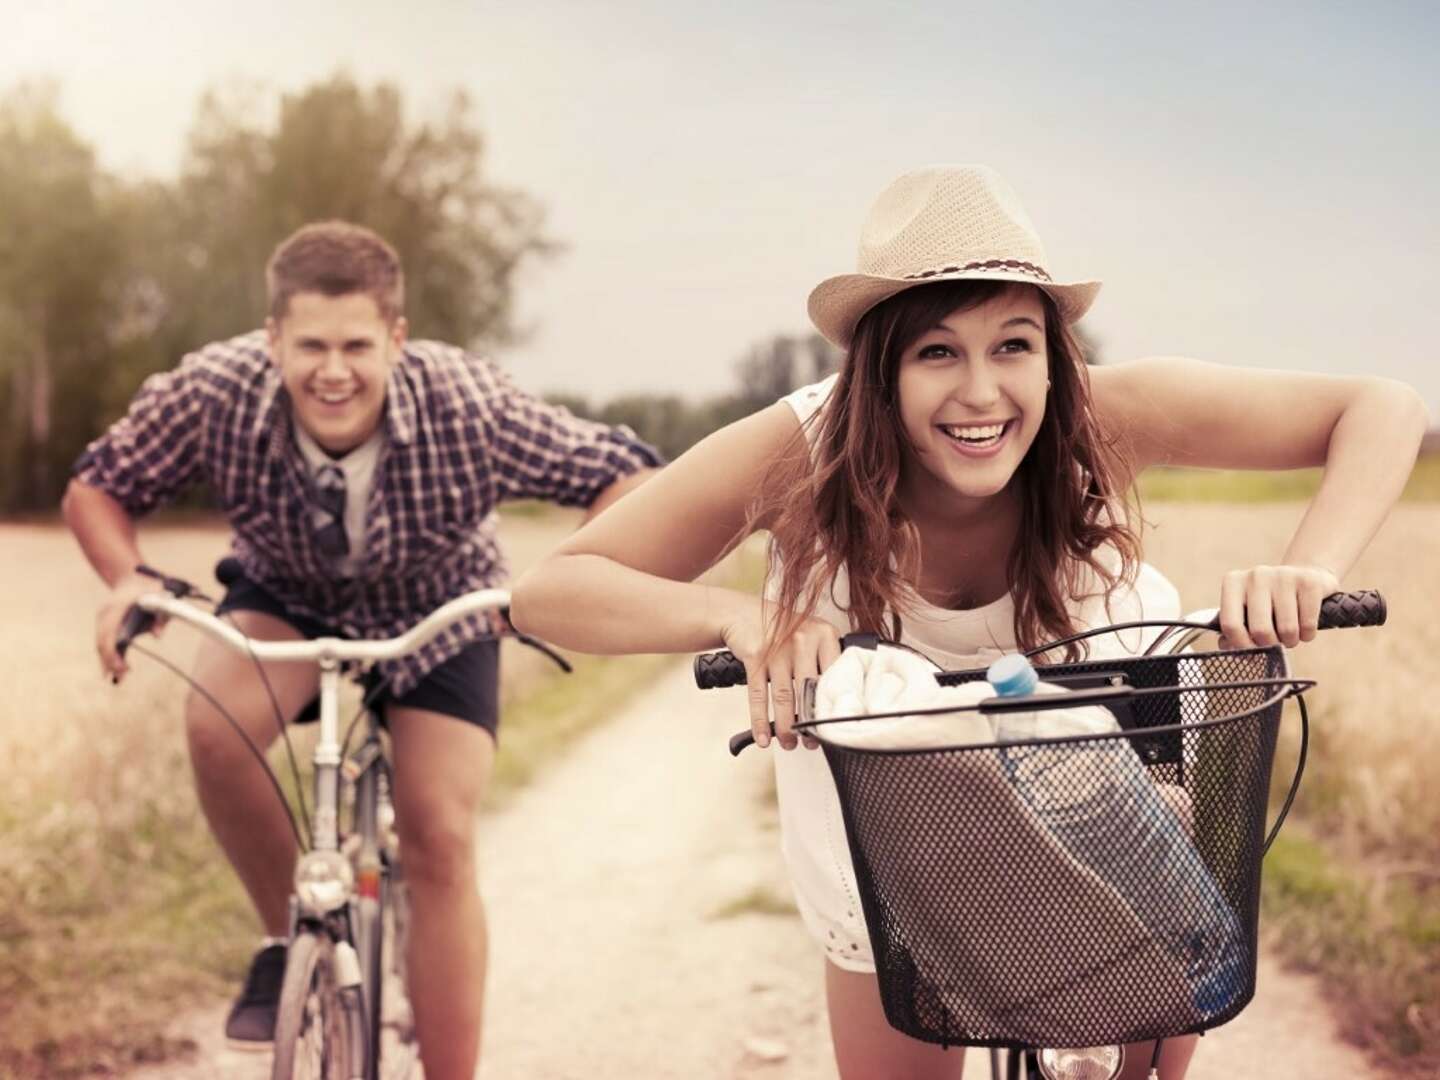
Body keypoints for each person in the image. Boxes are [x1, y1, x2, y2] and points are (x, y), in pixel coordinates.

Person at [509, 165, 1428, 1079]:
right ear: (881, 370)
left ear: (1051, 353)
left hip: (1105, 807)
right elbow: (552, 591)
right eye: (937, 352)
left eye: (1013, 345)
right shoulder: (801, 453)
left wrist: (1308, 568)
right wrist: (741, 618)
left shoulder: (1102, 417)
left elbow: (1381, 408)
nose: (982, 393)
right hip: (893, 851)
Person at [62, 221, 660, 1080]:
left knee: (438, 834)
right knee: (213, 731)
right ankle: (283, 936)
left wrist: (555, 586)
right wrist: (126, 578)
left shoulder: (466, 401)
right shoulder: (216, 391)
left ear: (396, 339)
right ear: (272, 340)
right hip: (290, 599)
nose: (332, 371)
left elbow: (628, 476)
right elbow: (99, 483)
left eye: (355, 345)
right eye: (309, 345)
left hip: (445, 610)